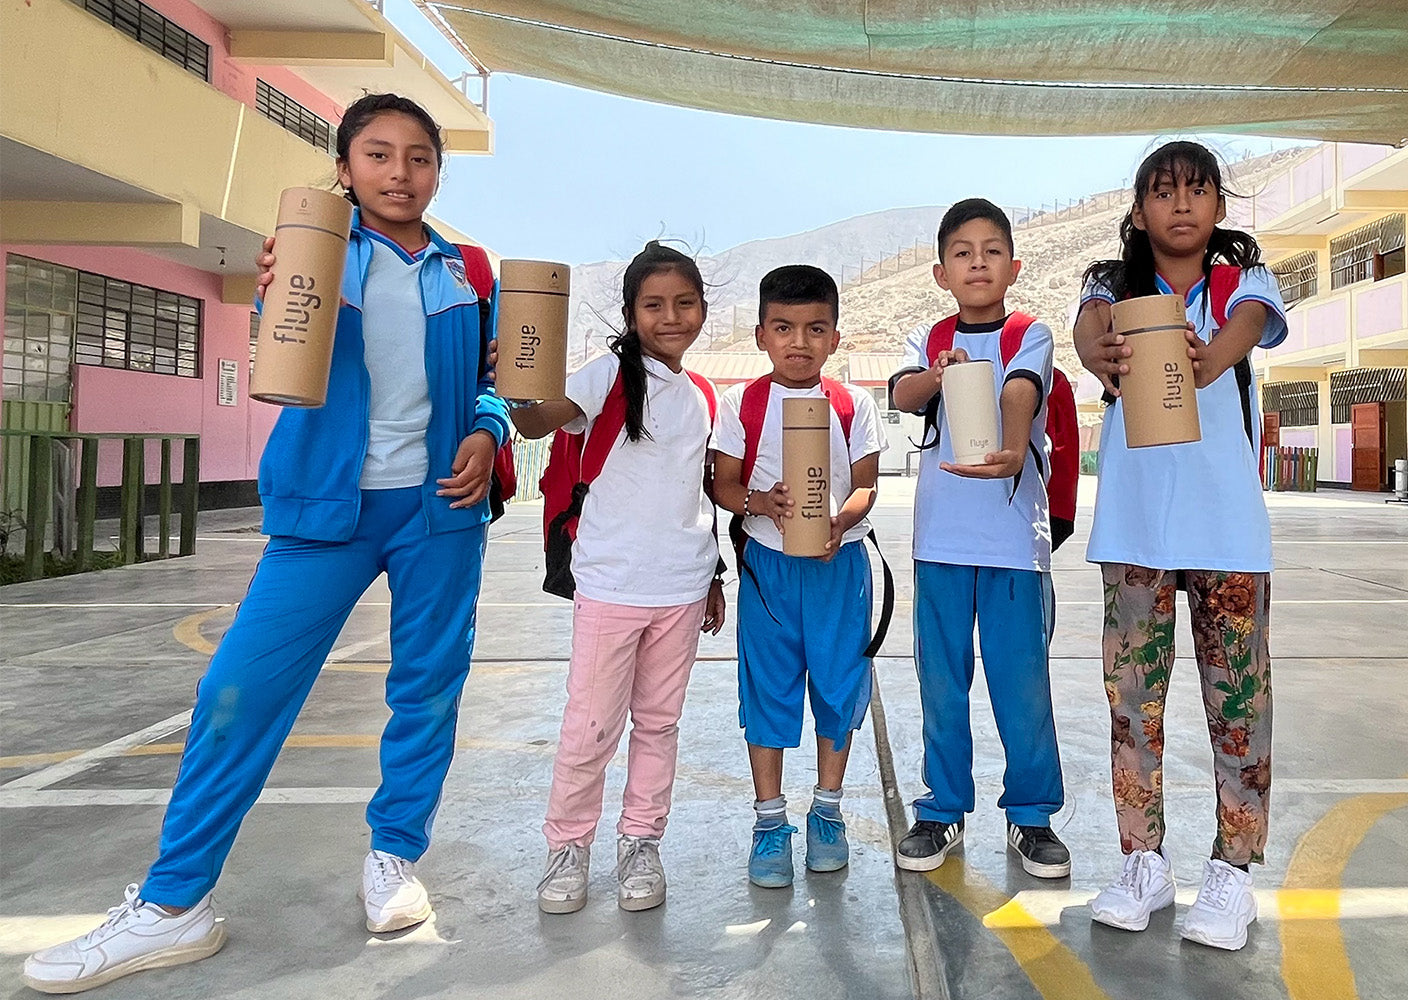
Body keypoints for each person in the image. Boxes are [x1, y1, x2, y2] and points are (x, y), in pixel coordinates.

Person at [22, 93, 511, 994]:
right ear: (344, 166)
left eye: (419, 157)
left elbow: (496, 379)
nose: (400, 173)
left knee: (429, 688)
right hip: (323, 511)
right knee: (237, 690)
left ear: (439, 172)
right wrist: (285, 280)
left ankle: (394, 857)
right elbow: (284, 348)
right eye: (378, 154)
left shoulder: (468, 270)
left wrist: (489, 429)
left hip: (439, 512)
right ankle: (175, 901)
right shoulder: (316, 249)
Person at [1073, 140, 1287, 951]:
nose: (1183, 204)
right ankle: (1143, 861)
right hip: (1136, 528)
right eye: (1163, 193)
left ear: (1219, 207)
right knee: (1133, 702)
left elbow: (1249, 326)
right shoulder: (1113, 284)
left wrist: (1207, 362)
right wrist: (1095, 349)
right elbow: (1090, 326)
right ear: (1139, 213)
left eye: (1198, 190)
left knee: (1239, 702)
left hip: (1226, 528)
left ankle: (1234, 870)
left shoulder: (1242, 280)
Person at [511, 242, 726, 916]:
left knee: (659, 725)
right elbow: (534, 422)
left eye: (684, 303)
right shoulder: (606, 375)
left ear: (703, 310)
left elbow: (695, 493)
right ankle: (568, 847)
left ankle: (641, 843)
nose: (671, 317)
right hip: (611, 587)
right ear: (631, 314)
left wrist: (713, 575)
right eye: (653, 305)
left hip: (682, 588)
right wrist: (518, 372)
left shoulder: (703, 395)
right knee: (590, 728)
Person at [887, 198, 1070, 879]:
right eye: (962, 253)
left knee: (1022, 687)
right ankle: (942, 808)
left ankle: (1032, 814)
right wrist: (938, 376)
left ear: (1014, 266)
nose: (978, 263)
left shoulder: (1030, 333)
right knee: (942, 685)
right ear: (941, 273)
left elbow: (1021, 390)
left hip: (1013, 548)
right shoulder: (928, 337)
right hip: (940, 545)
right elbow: (903, 394)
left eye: (992, 251)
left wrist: (1013, 448)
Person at [708, 265, 885, 888]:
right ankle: (769, 822)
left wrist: (841, 522)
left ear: (835, 337)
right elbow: (724, 485)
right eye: (783, 328)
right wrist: (761, 504)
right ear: (761, 335)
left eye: (815, 328)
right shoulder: (743, 403)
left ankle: (827, 812)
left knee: (838, 686)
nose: (799, 342)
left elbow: (865, 484)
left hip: (840, 567)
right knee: (769, 688)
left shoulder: (853, 403)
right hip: (769, 572)